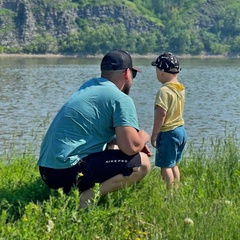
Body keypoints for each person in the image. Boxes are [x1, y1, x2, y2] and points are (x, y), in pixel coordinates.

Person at [37, 49, 152, 208]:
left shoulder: (88, 86)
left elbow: (102, 133)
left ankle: (73, 193)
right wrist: (143, 137)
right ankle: (85, 200)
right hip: (66, 172)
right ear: (127, 73)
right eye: (134, 74)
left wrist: (127, 141)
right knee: (143, 163)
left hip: (47, 171)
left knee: (114, 144)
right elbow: (131, 147)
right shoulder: (120, 99)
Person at [150, 52, 187, 189]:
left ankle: (170, 194)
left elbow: (161, 113)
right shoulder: (180, 88)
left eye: (156, 70)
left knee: (165, 166)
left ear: (161, 72)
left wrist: (155, 134)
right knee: (174, 163)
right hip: (180, 131)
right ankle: (176, 188)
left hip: (168, 133)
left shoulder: (164, 91)